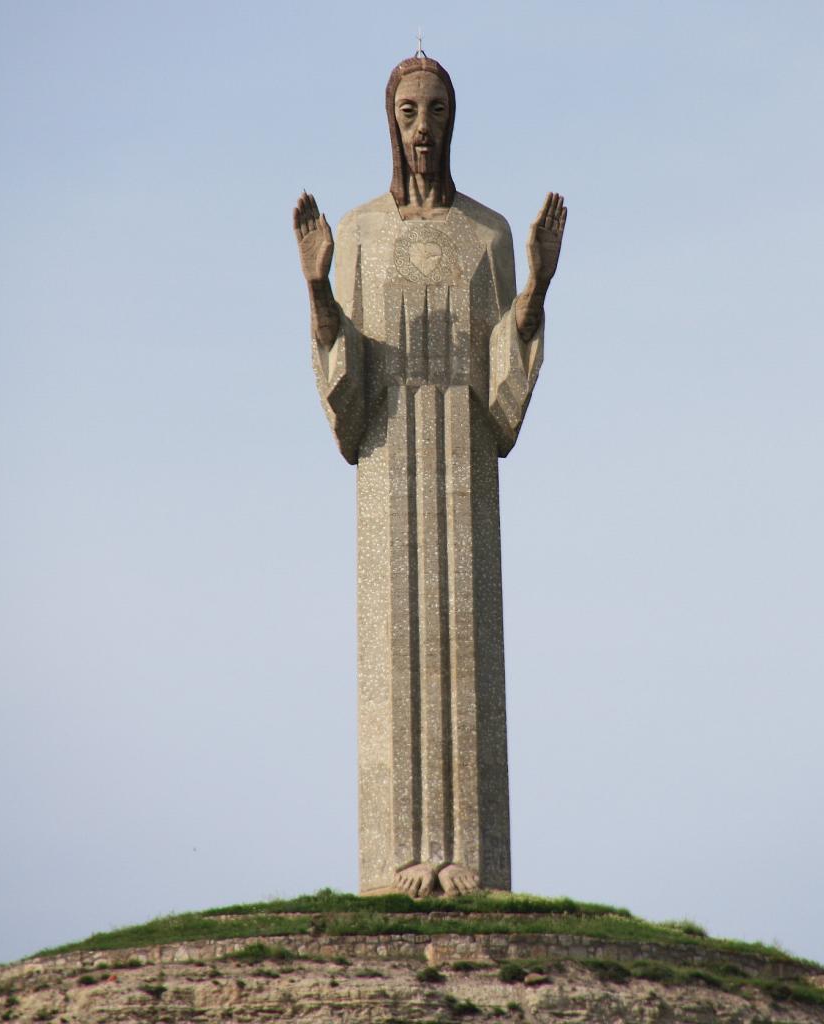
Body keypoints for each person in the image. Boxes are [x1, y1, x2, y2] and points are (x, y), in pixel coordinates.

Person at [293, 55, 566, 897]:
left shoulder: (485, 237)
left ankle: (467, 865)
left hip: (463, 468)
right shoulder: (361, 232)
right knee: (396, 652)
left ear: (454, 119)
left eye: (436, 110)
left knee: (463, 647)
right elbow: (348, 374)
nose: (422, 126)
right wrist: (315, 288)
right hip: (389, 462)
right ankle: (397, 860)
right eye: (408, 111)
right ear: (389, 120)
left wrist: (536, 289)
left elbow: (500, 379)